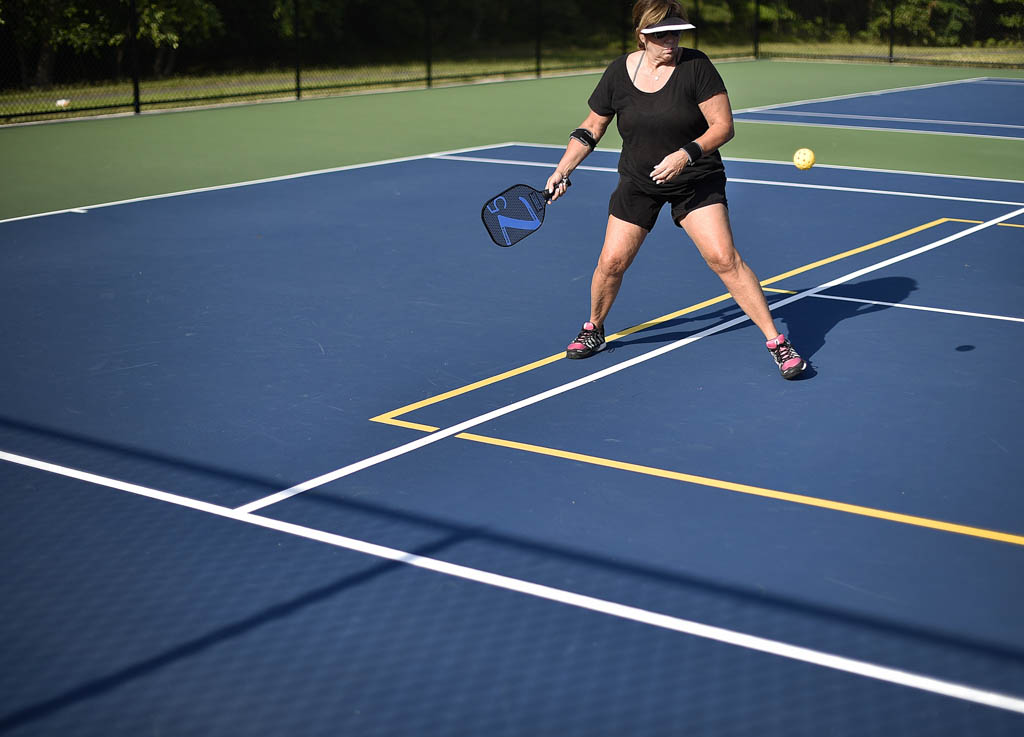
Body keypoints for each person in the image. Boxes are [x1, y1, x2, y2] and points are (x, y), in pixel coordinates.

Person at [544, 0, 807, 379]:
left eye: (677, 33)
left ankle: (777, 342)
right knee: (612, 262)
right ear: (642, 36)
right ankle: (594, 329)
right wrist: (563, 169)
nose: (672, 41)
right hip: (639, 182)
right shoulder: (618, 72)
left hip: (694, 180)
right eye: (661, 35)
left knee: (723, 258)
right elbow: (592, 127)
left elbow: (723, 126)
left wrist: (685, 154)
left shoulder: (696, 67)